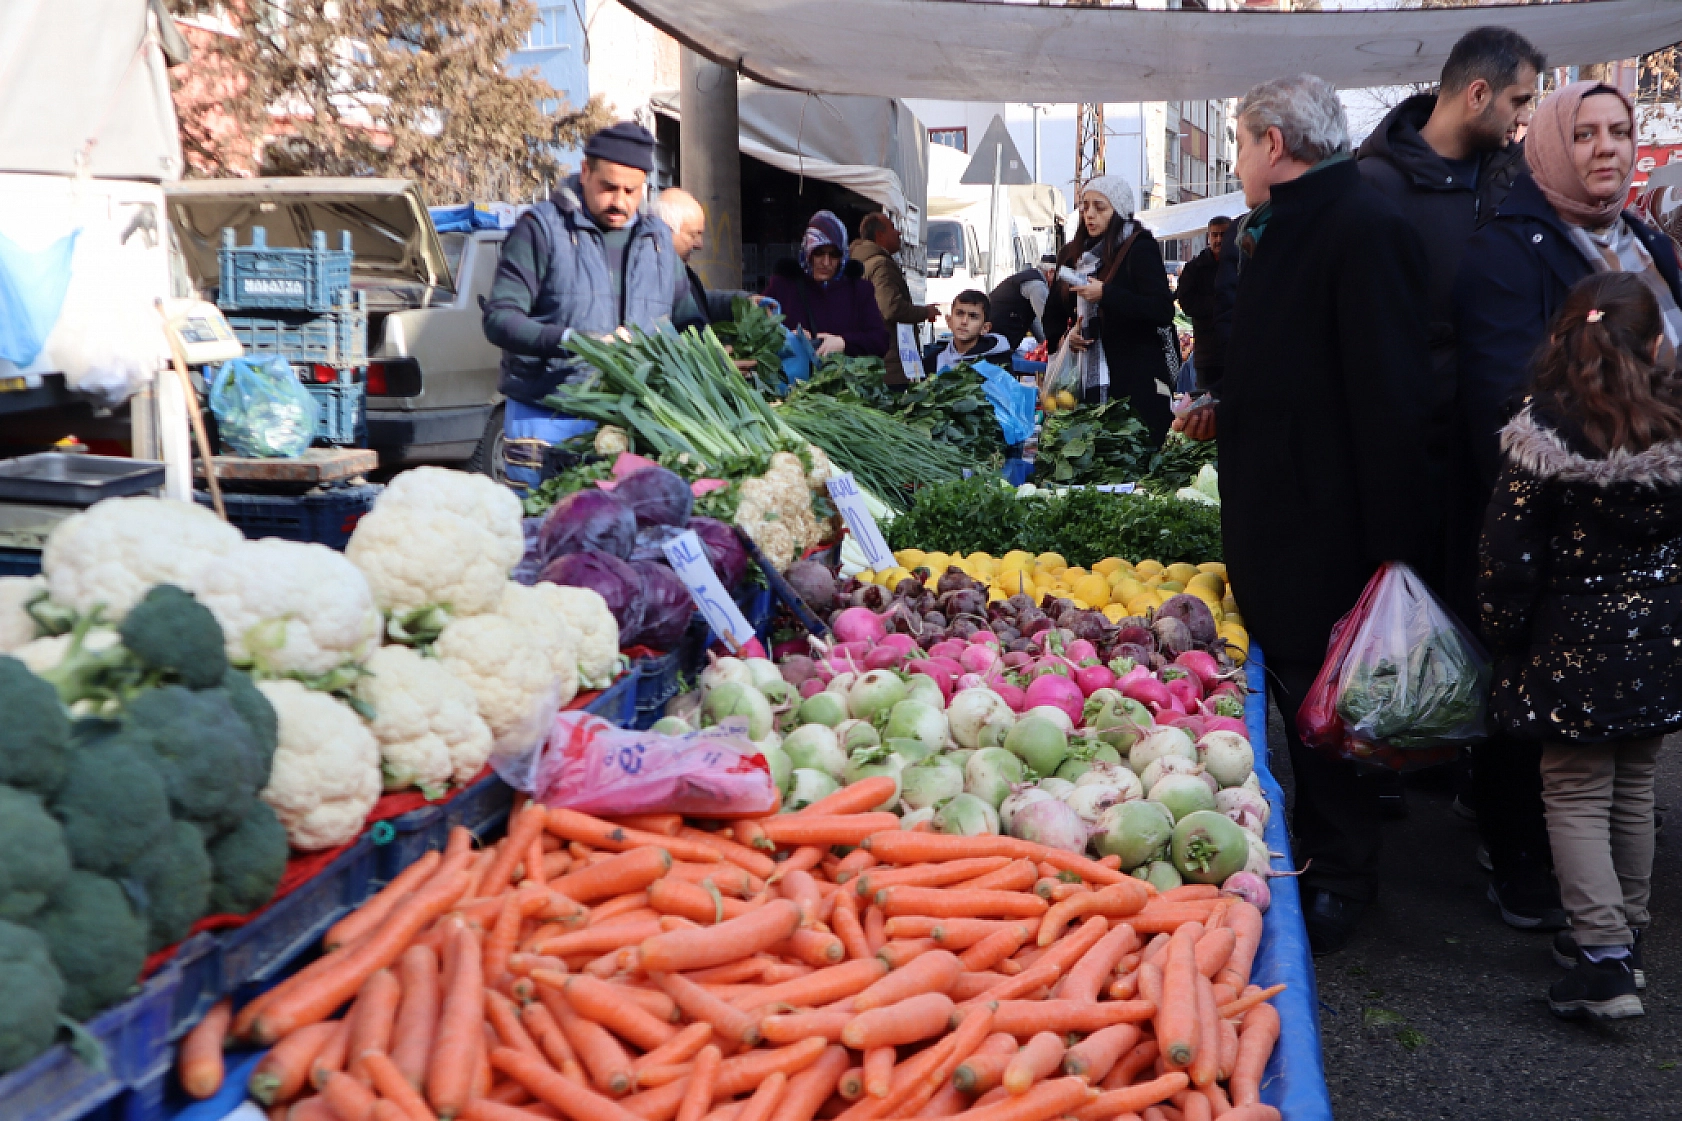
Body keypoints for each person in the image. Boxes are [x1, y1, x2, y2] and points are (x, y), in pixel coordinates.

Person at [1218, 74, 1446, 955]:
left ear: (1273, 143)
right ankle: (1324, 855)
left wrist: (1391, 551)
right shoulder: (1287, 226)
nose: (1239, 160)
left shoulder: (1361, 227)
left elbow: (1392, 399)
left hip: (1330, 530)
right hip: (1288, 519)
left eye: (1240, 142)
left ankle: (1345, 877)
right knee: (1305, 704)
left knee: (1334, 709)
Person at [1456, 79, 1682, 921]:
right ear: (1549, 145)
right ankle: (1533, 869)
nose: (1607, 148)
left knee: (1619, 757)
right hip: (1561, 533)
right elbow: (1499, 392)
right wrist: (1607, 458)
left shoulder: (1646, 242)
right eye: (1584, 133)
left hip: (1650, 530)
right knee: (1550, 741)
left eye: (1619, 130)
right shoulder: (1508, 250)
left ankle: (1608, 926)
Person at [1357, 26, 1554, 924]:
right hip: (1403, 441)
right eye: (1517, 101)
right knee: (1396, 608)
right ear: (1476, 94)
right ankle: (1388, 766)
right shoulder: (1374, 184)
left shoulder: (1515, 183)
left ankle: (1491, 801)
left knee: (1494, 619)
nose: (1523, 120)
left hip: (1496, 446)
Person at [1476, 271, 1682, 1020]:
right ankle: (1626, 930)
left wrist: (1503, 634)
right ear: (1655, 345)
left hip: (1569, 650)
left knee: (1574, 790)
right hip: (1659, 650)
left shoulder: (1544, 434)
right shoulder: (1673, 425)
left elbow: (1508, 555)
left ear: (1561, 340)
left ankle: (1601, 957)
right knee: (1634, 784)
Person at [482, 121, 691, 488]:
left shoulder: (657, 237)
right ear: (585, 172)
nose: (620, 202)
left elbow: (686, 312)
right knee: (544, 521)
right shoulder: (541, 229)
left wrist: (739, 307)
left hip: (629, 423)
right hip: (546, 421)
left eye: (631, 190)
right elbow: (499, 318)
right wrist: (571, 341)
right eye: (608, 187)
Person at [1042, 176, 1177, 443]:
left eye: (1100, 207)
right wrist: (1067, 338)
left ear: (1119, 209)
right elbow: (1053, 313)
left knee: (1134, 451)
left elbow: (1161, 309)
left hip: (1135, 380)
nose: (1090, 214)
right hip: (1083, 381)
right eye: (1085, 206)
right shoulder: (1072, 255)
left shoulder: (1139, 248)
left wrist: (1106, 294)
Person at [762, 210, 889, 361]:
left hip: (845, 375)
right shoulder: (784, 286)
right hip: (794, 375)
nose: (826, 262)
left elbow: (880, 341)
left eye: (834, 255)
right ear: (808, 253)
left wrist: (844, 343)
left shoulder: (859, 290)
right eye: (819, 253)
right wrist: (787, 337)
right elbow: (759, 331)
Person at [850, 212, 939, 385]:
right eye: (892, 228)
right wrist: (925, 312)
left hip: (872, 360)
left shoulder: (861, 262)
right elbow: (891, 308)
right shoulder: (881, 265)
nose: (898, 232)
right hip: (890, 363)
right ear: (880, 235)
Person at [651, 187, 755, 329]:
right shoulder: (650, 275)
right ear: (665, 230)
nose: (700, 245)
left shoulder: (674, 271)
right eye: (693, 235)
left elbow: (696, 300)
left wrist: (744, 302)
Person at [1173, 216, 1232, 393]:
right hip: (1208, 353)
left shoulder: (1242, 264)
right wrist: (1219, 304)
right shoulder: (1195, 268)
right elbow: (1187, 302)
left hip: (1236, 350)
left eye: (1223, 234)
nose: (1219, 240)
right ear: (1208, 237)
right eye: (1215, 235)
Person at [923, 289, 1014, 375]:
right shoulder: (932, 362)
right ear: (949, 321)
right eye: (959, 314)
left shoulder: (998, 365)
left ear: (985, 328)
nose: (964, 321)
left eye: (973, 316)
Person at [988, 256, 1057, 351]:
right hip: (999, 334)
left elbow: (1034, 319)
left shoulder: (1029, 278)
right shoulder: (1037, 285)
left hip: (999, 335)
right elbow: (1048, 320)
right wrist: (1056, 345)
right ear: (1051, 272)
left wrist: (1045, 343)